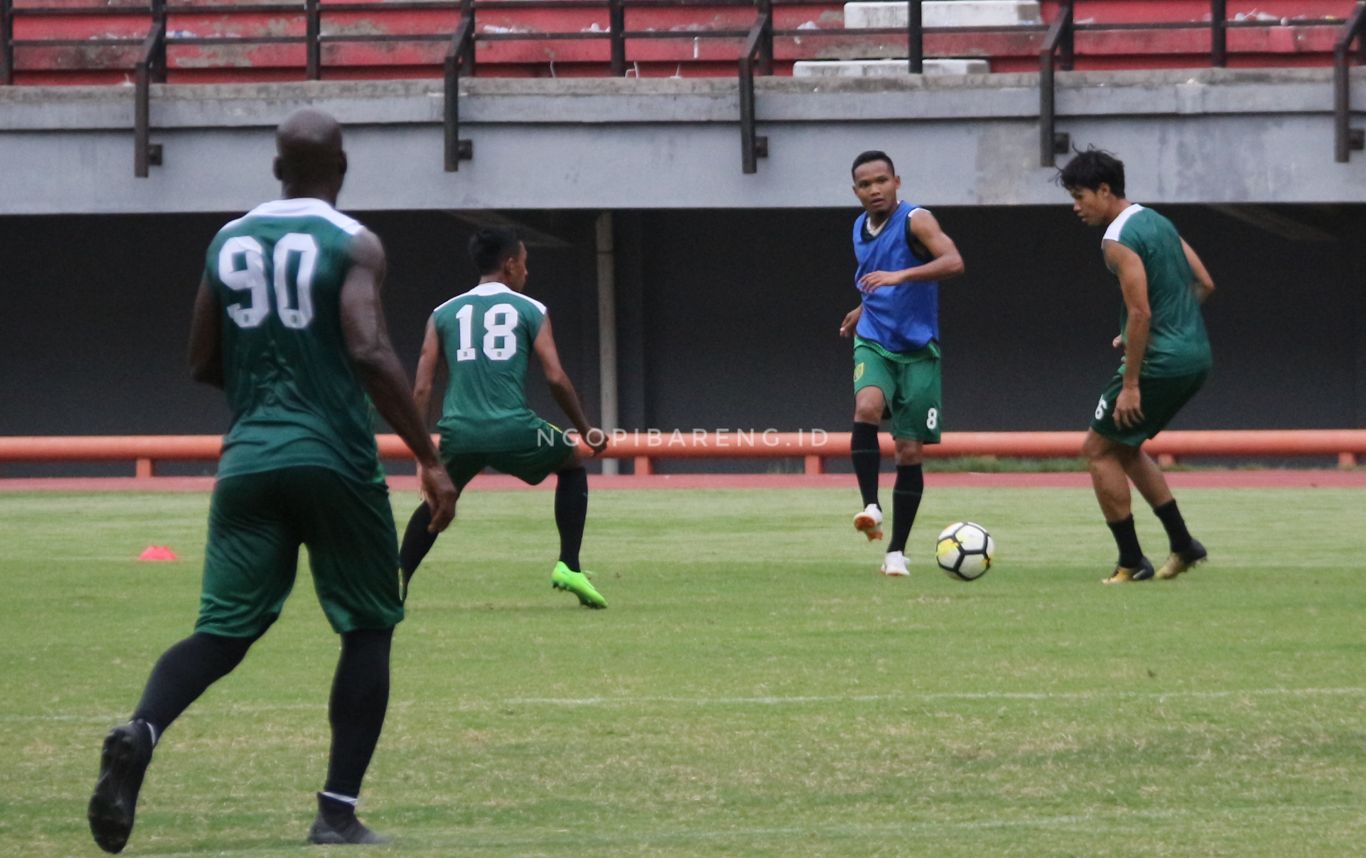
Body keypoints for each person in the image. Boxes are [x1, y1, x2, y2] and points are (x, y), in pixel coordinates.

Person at [87, 108, 458, 853]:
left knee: (222, 633)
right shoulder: (354, 242)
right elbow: (371, 349)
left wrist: (266, 391)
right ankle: (336, 813)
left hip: (249, 459)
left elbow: (201, 360)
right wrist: (430, 457)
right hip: (335, 460)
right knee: (367, 624)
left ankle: (142, 730)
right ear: (342, 169)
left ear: (275, 168)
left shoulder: (226, 242)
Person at [397, 226, 609, 608]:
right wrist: (586, 429)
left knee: (437, 503)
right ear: (510, 265)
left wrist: (423, 457)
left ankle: (397, 586)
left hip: (458, 433)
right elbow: (556, 377)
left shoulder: (442, 314)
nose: (527, 272)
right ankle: (569, 565)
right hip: (514, 429)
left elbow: (422, 390)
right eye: (525, 264)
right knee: (573, 461)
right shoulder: (533, 310)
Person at [1059, 148, 1215, 584]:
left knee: (1097, 449)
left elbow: (1142, 312)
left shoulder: (1116, 240)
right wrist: (1139, 331)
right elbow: (1203, 282)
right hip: (1195, 356)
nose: (1076, 206)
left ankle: (1131, 561)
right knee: (1125, 447)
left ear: (1104, 191)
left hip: (1160, 363)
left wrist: (1131, 382)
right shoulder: (1158, 222)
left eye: (1079, 195)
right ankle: (1183, 545)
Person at [838, 150, 966, 578]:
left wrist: (900, 276)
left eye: (881, 181)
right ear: (855, 191)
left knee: (909, 452)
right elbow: (874, 278)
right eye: (865, 184)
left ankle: (896, 551)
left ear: (897, 181)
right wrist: (862, 308)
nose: (874, 190)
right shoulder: (859, 227)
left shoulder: (917, 220)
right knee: (867, 408)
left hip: (918, 350)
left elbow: (954, 262)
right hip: (874, 339)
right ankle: (870, 506)